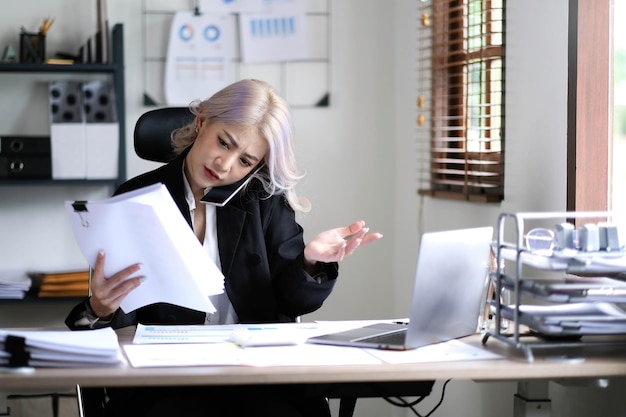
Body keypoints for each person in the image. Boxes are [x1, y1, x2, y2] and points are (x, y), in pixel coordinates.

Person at [65, 78, 382, 417]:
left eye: (245, 161)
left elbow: (293, 302)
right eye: (223, 143)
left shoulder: (264, 201)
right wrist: (101, 307)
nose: (225, 165)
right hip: (169, 381)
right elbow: (119, 326)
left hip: (257, 376)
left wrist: (309, 263)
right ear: (201, 122)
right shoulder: (135, 200)